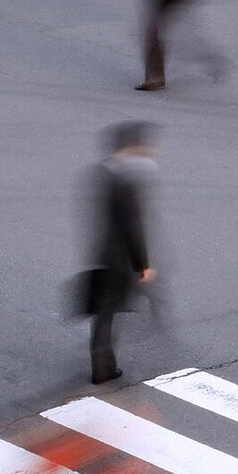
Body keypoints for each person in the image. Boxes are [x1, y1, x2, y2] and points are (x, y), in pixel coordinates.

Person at [87, 121, 158, 385]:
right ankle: (103, 367)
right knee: (109, 313)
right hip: (119, 259)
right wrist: (143, 265)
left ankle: (102, 365)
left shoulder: (103, 171)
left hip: (103, 252)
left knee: (103, 314)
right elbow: (134, 227)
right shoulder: (126, 182)